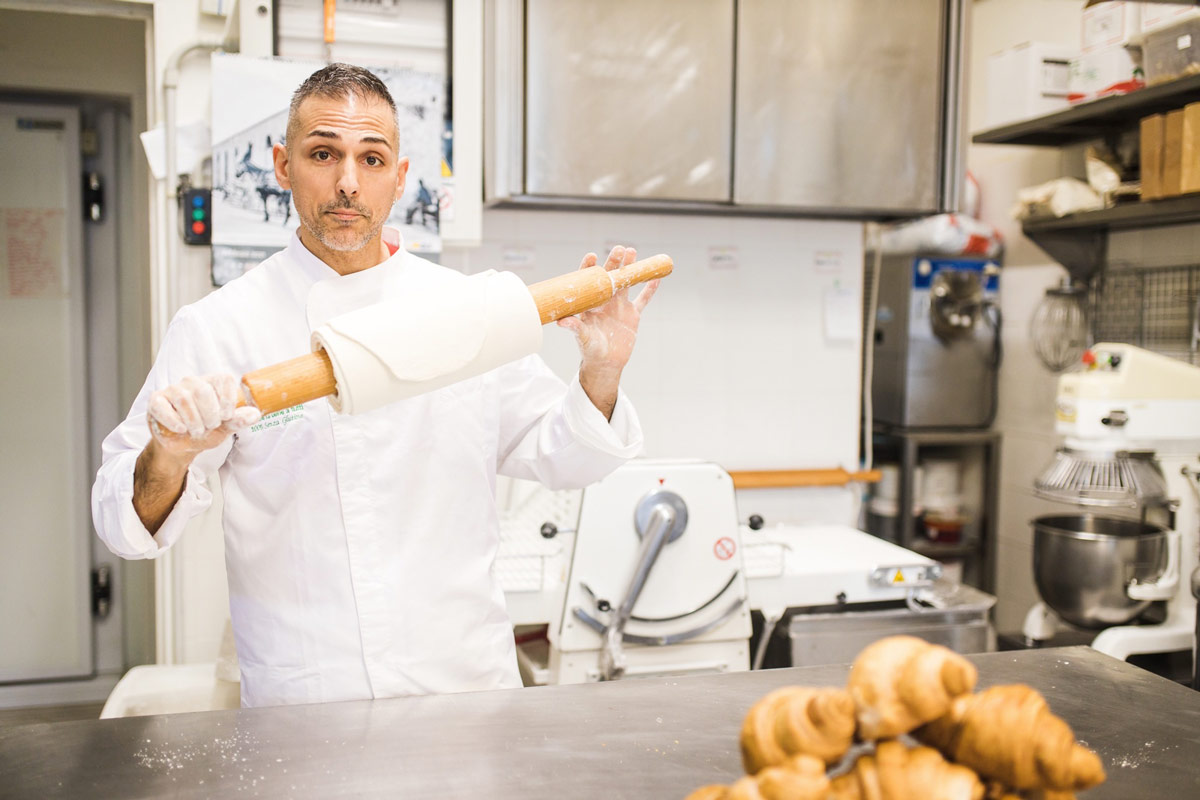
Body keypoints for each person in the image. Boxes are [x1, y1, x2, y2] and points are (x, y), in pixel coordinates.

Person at [92, 63, 659, 708]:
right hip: (308, 699)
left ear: (401, 177)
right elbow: (122, 526)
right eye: (323, 154)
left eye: (372, 158)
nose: (347, 183)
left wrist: (602, 368)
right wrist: (169, 454)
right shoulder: (219, 327)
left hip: (464, 688)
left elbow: (568, 456)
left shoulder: (467, 311)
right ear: (282, 165)